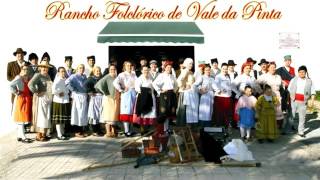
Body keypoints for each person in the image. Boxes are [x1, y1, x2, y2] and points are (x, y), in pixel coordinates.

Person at [28, 61, 53, 141]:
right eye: (43, 67)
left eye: (46, 67)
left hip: (47, 98)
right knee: (41, 117)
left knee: (46, 116)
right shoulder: (38, 75)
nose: (45, 68)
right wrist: (36, 92)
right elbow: (30, 84)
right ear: (40, 68)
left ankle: (44, 134)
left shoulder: (48, 76)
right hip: (41, 98)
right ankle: (39, 135)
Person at [288, 66, 316, 138]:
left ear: (305, 72)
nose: (301, 73)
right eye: (300, 72)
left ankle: (301, 131)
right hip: (294, 100)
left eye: (303, 72)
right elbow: (289, 89)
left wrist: (312, 100)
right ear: (298, 72)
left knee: (302, 117)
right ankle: (288, 129)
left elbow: (313, 91)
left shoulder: (309, 81)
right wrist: (291, 97)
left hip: (303, 101)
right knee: (291, 115)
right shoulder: (294, 79)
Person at [9, 64, 33, 143]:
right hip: (21, 99)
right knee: (21, 118)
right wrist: (16, 92)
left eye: (27, 69)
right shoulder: (18, 77)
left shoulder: (28, 78)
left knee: (24, 117)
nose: (26, 71)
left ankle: (19, 136)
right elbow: (11, 85)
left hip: (27, 99)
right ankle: (23, 137)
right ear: (21, 69)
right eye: (24, 69)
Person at [153, 60, 178, 134]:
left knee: (169, 112)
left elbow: (176, 85)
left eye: (170, 68)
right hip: (164, 95)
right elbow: (154, 83)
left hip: (171, 94)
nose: (169, 69)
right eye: (167, 67)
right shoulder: (161, 75)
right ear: (165, 68)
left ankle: (166, 129)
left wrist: (174, 91)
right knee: (163, 112)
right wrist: (160, 90)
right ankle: (161, 129)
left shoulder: (172, 76)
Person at [113, 61, 137, 137]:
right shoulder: (122, 74)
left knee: (131, 112)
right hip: (126, 94)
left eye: (130, 65)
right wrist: (121, 89)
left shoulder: (133, 74)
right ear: (124, 67)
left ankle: (130, 130)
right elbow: (115, 82)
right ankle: (126, 131)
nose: (129, 67)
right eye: (127, 65)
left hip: (133, 93)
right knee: (126, 111)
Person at [95, 64, 120, 137]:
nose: (113, 70)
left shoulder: (117, 77)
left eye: (114, 69)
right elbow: (98, 85)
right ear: (109, 70)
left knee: (113, 116)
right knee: (107, 115)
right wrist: (105, 92)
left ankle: (113, 132)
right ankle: (108, 132)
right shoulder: (107, 77)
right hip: (108, 98)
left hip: (115, 98)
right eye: (111, 69)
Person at [257, 62, 284, 128]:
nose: (273, 69)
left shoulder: (278, 76)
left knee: (278, 112)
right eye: (271, 67)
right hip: (268, 96)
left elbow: (281, 86)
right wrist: (260, 91)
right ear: (268, 68)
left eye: (274, 67)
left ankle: (276, 129)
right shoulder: (264, 76)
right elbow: (256, 83)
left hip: (277, 96)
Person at [66, 64, 88, 138]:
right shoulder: (74, 76)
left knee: (83, 113)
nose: (81, 69)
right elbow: (67, 82)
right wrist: (73, 90)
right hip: (78, 95)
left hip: (84, 95)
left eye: (83, 68)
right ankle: (77, 131)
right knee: (77, 113)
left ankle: (81, 130)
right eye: (80, 68)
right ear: (77, 69)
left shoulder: (84, 76)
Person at [134, 66, 157, 135]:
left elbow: (153, 87)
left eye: (147, 70)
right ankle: (142, 130)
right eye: (144, 70)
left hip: (150, 97)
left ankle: (146, 130)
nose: (146, 71)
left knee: (149, 114)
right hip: (142, 98)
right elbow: (137, 88)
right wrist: (145, 91)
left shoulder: (150, 78)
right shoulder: (139, 79)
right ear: (141, 71)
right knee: (143, 113)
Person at [276, 55, 296, 132]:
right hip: (283, 90)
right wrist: (282, 82)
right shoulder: (280, 69)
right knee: (282, 107)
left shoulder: (293, 69)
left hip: (291, 90)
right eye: (286, 60)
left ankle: (291, 124)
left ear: (291, 61)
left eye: (289, 60)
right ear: (284, 61)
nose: (288, 62)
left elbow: (294, 79)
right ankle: (280, 124)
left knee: (291, 108)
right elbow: (277, 77)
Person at [52, 67, 71, 140]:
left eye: (64, 71)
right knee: (58, 119)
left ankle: (63, 133)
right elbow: (53, 90)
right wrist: (58, 93)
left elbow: (68, 89)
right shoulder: (57, 80)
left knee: (63, 118)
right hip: (58, 101)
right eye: (61, 71)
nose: (63, 73)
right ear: (58, 73)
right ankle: (59, 134)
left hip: (65, 100)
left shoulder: (66, 80)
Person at [214, 63, 235, 128]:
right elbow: (214, 84)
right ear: (221, 69)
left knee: (227, 112)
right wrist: (218, 90)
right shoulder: (218, 76)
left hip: (227, 96)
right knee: (219, 112)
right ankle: (219, 125)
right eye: (223, 69)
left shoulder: (227, 76)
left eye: (226, 69)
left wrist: (236, 92)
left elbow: (230, 86)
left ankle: (226, 125)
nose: (225, 70)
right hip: (220, 97)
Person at [85, 66, 103, 136]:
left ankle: (99, 130)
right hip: (94, 97)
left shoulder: (101, 78)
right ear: (94, 71)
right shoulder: (90, 79)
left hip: (101, 97)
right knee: (94, 114)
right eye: (97, 71)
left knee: (99, 114)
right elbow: (85, 85)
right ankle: (94, 130)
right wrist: (90, 91)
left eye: (99, 71)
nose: (98, 72)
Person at [176, 58, 194, 126]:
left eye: (192, 64)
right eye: (189, 63)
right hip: (184, 93)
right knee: (183, 110)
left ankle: (186, 126)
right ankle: (181, 126)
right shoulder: (185, 71)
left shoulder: (190, 72)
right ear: (186, 64)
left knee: (187, 110)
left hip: (189, 93)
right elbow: (178, 80)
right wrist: (183, 87)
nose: (191, 65)